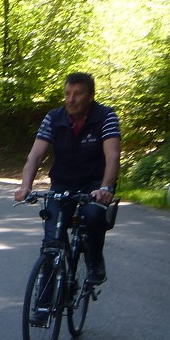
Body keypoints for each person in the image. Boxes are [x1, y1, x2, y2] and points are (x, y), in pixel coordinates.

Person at [14, 72, 120, 285]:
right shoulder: (54, 118)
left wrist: (106, 188)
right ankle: (41, 311)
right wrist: (25, 186)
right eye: (67, 93)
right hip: (62, 183)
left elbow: (113, 156)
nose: (71, 99)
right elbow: (35, 155)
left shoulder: (105, 116)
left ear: (90, 96)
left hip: (94, 184)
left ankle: (94, 261)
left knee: (92, 216)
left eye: (77, 94)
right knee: (51, 242)